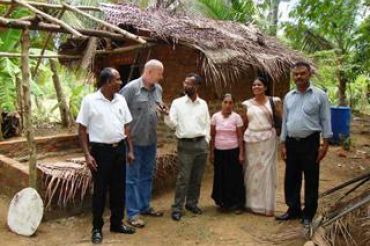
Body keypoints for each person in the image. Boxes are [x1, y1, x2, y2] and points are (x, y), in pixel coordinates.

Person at [77, 67, 136, 244]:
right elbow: (81, 129)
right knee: (100, 191)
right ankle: (96, 228)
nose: (121, 82)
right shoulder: (90, 101)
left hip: (119, 150)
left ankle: (117, 223)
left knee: (119, 190)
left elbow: (126, 127)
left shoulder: (121, 100)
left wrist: (130, 150)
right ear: (108, 82)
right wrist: (87, 155)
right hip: (100, 152)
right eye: (118, 79)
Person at [276, 62, 332, 226]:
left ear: (309, 74)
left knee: (311, 178)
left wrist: (325, 143)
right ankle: (293, 210)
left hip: (310, 142)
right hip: (292, 142)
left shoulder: (319, 95)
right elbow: (285, 120)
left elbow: (325, 119)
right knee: (291, 177)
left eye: (302, 73)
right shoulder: (289, 96)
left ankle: (308, 213)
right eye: (296, 74)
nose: (298, 77)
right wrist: (283, 143)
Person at [120, 59, 164, 228]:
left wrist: (162, 110)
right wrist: (127, 144)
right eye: (160, 73)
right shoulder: (131, 89)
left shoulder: (158, 89)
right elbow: (120, 114)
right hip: (133, 143)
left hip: (151, 141)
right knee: (131, 178)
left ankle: (145, 206)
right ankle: (132, 213)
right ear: (150, 72)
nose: (161, 77)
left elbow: (157, 108)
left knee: (147, 175)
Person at [164, 73, 210, 221]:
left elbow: (207, 123)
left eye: (190, 84)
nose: (186, 86)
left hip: (201, 145)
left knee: (197, 178)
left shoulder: (203, 104)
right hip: (185, 145)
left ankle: (191, 203)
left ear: (197, 86)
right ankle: (177, 207)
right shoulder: (177, 103)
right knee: (183, 178)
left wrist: (207, 140)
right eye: (185, 82)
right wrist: (166, 115)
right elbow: (172, 124)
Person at [242, 77, 282, 216]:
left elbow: (279, 120)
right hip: (251, 140)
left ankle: (266, 206)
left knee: (266, 170)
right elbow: (245, 122)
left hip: (268, 139)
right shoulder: (247, 104)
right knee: (251, 170)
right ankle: (251, 204)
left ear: (265, 87)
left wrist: (279, 138)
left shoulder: (274, 101)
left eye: (259, 85)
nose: (256, 87)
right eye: (254, 85)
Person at [210, 93, 245, 213]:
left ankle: (237, 203)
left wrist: (241, 153)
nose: (228, 105)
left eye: (230, 103)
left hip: (233, 151)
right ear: (221, 103)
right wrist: (212, 152)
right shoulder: (215, 117)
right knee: (221, 177)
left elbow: (240, 137)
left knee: (234, 177)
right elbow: (213, 136)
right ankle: (222, 202)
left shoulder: (236, 118)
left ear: (233, 104)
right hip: (219, 152)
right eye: (225, 102)